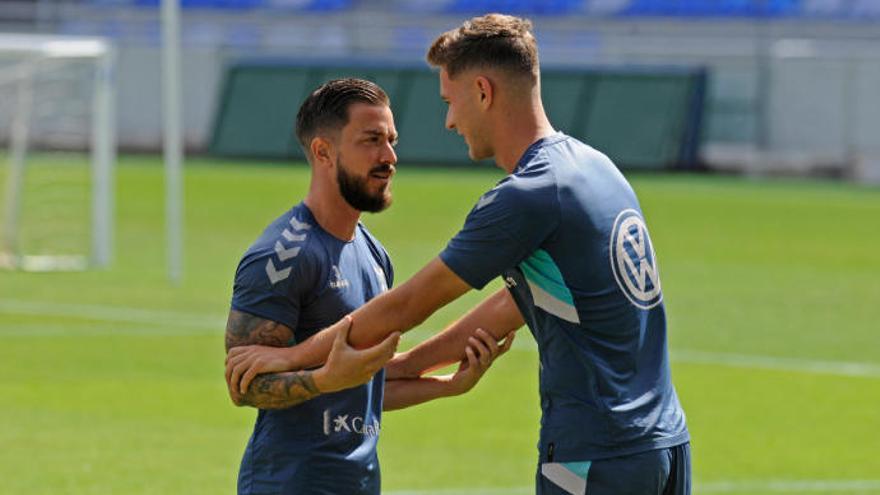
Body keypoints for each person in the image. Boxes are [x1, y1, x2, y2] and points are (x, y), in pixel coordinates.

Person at [227, 14, 690, 495]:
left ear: (483, 92)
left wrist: (291, 358)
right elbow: (512, 305)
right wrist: (417, 369)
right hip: (663, 443)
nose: (449, 121)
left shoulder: (526, 194)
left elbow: (410, 305)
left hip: (596, 449)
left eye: (450, 101)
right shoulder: (596, 168)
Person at [224, 77, 514, 495]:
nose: (390, 156)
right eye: (372, 140)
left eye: (392, 140)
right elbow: (245, 387)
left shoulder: (374, 254)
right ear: (323, 151)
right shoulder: (282, 257)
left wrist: (447, 386)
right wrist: (324, 379)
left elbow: (363, 384)